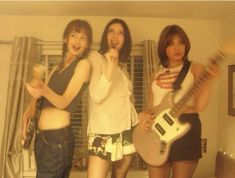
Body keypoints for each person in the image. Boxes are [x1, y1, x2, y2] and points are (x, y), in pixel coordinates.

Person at [138, 24, 220, 178]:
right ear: (163, 48)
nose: (177, 47)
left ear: (186, 45)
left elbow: (200, 107)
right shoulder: (156, 73)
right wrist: (143, 114)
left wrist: (209, 81)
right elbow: (150, 107)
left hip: (185, 130)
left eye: (181, 42)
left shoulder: (195, 68)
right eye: (171, 43)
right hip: (158, 132)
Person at [22, 19, 92, 178]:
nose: (77, 41)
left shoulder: (84, 65)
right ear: (65, 39)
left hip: (58, 139)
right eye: (74, 35)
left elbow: (64, 101)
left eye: (83, 38)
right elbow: (40, 98)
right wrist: (27, 112)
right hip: (42, 139)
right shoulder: (56, 69)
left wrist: (42, 88)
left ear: (87, 44)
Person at [87, 18, 138, 178]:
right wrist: (110, 66)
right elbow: (96, 95)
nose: (116, 36)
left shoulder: (123, 68)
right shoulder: (95, 57)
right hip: (102, 132)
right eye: (111, 31)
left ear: (125, 40)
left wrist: (137, 121)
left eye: (121, 33)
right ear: (105, 36)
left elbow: (128, 103)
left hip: (125, 131)